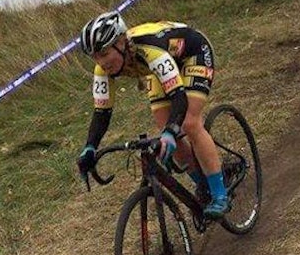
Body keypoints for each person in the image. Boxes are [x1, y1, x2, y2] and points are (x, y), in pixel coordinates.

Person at [74, 11, 230, 218]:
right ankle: (203, 184)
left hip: (193, 53)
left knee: (189, 124)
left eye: (103, 54)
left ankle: (220, 194)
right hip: (156, 70)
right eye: (94, 56)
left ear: (121, 43)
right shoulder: (102, 69)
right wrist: (90, 147)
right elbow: (102, 113)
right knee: (163, 126)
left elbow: (179, 97)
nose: (101, 62)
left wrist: (172, 132)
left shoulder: (149, 50)